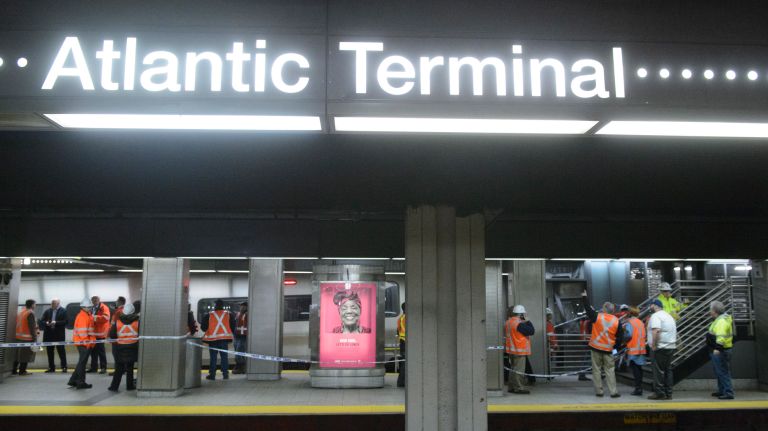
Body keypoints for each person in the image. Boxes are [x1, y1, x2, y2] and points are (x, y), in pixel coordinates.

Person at [581, 291, 623, 398]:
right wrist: (615, 349)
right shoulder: (617, 321)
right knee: (610, 370)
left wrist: (584, 297)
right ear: (613, 310)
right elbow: (620, 338)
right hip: (609, 350)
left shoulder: (597, 316)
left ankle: (599, 391)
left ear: (604, 309)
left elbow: (588, 309)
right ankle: (613, 392)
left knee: (596, 370)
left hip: (595, 348)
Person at [647, 299, 677, 400]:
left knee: (658, 371)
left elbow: (656, 331)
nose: (650, 307)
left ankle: (659, 393)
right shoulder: (668, 316)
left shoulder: (656, 316)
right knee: (668, 370)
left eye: (651, 305)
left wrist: (654, 345)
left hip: (660, 347)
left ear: (655, 306)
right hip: (670, 346)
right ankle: (669, 393)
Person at [201, 299, 236, 380]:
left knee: (213, 358)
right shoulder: (228, 314)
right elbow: (233, 326)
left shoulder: (209, 315)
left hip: (212, 340)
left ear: (215, 305)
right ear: (223, 305)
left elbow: (203, 327)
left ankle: (212, 375)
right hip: (224, 339)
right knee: (224, 357)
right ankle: (225, 375)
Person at [108, 303, 139, 392]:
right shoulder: (137, 322)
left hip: (120, 348)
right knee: (130, 367)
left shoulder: (118, 322)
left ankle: (114, 387)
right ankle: (129, 386)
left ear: (123, 312)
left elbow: (112, 335)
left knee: (119, 368)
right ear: (133, 312)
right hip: (133, 347)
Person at [706, 300, 734, 400]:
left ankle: (728, 392)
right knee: (720, 371)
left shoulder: (721, 321)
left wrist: (717, 348)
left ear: (715, 311)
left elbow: (721, 337)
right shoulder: (719, 319)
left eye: (710, 310)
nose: (709, 311)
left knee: (723, 371)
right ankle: (722, 390)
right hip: (719, 350)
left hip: (720, 350)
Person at [505, 304, 534, 394]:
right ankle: (519, 388)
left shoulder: (509, 322)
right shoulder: (519, 324)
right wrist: (528, 321)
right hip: (519, 350)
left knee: (513, 369)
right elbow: (531, 331)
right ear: (521, 314)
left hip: (511, 350)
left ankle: (511, 387)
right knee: (519, 370)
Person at [68, 298, 95, 389]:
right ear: (84, 307)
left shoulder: (87, 315)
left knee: (81, 362)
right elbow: (82, 333)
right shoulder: (83, 316)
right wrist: (87, 344)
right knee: (82, 363)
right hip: (83, 343)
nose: (91, 308)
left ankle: (73, 380)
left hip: (84, 343)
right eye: (89, 307)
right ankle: (81, 382)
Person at [624, 306, 647, 396]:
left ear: (630, 313)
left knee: (635, 369)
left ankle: (638, 389)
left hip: (633, 348)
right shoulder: (640, 322)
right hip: (641, 348)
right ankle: (639, 387)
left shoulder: (630, 322)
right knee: (639, 369)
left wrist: (623, 339)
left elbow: (628, 335)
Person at [41, 298, 68, 373]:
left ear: (58, 304)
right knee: (49, 352)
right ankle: (51, 367)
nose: (52, 305)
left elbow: (66, 321)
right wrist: (46, 323)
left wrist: (55, 322)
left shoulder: (63, 311)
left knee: (61, 351)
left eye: (54, 303)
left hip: (59, 335)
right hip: (49, 335)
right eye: (52, 303)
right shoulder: (47, 311)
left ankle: (64, 367)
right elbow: (42, 320)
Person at [12, 299, 38, 376]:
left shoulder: (22, 312)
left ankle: (14, 370)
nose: (35, 306)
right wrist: (35, 338)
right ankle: (22, 371)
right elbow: (32, 327)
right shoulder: (30, 313)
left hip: (19, 337)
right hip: (27, 338)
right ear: (32, 305)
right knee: (25, 355)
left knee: (17, 355)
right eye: (35, 304)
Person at [88, 296, 110, 374]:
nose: (94, 301)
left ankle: (103, 368)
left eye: (96, 300)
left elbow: (106, 318)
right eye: (93, 300)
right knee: (93, 352)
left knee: (101, 352)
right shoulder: (91, 308)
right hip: (93, 333)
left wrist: (95, 318)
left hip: (101, 333)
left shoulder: (104, 307)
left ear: (99, 300)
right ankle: (94, 368)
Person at [108, 296, 126, 376]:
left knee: (116, 354)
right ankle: (122, 370)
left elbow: (114, 326)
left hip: (116, 337)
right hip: (119, 336)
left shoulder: (118, 312)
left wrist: (110, 335)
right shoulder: (122, 310)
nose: (116, 302)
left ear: (120, 302)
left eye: (117, 301)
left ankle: (118, 371)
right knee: (119, 354)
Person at [232, 302, 248, 375]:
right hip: (236, 336)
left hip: (243, 336)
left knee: (239, 353)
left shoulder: (247, 314)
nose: (241, 307)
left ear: (246, 307)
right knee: (237, 352)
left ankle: (241, 368)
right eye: (241, 306)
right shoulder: (238, 314)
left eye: (243, 306)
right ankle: (239, 366)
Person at [397, 302, 406, 388]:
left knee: (403, 363)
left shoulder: (400, 318)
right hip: (406, 342)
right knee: (405, 364)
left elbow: (398, 331)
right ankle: (401, 382)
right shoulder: (406, 318)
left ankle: (401, 381)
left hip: (402, 342)